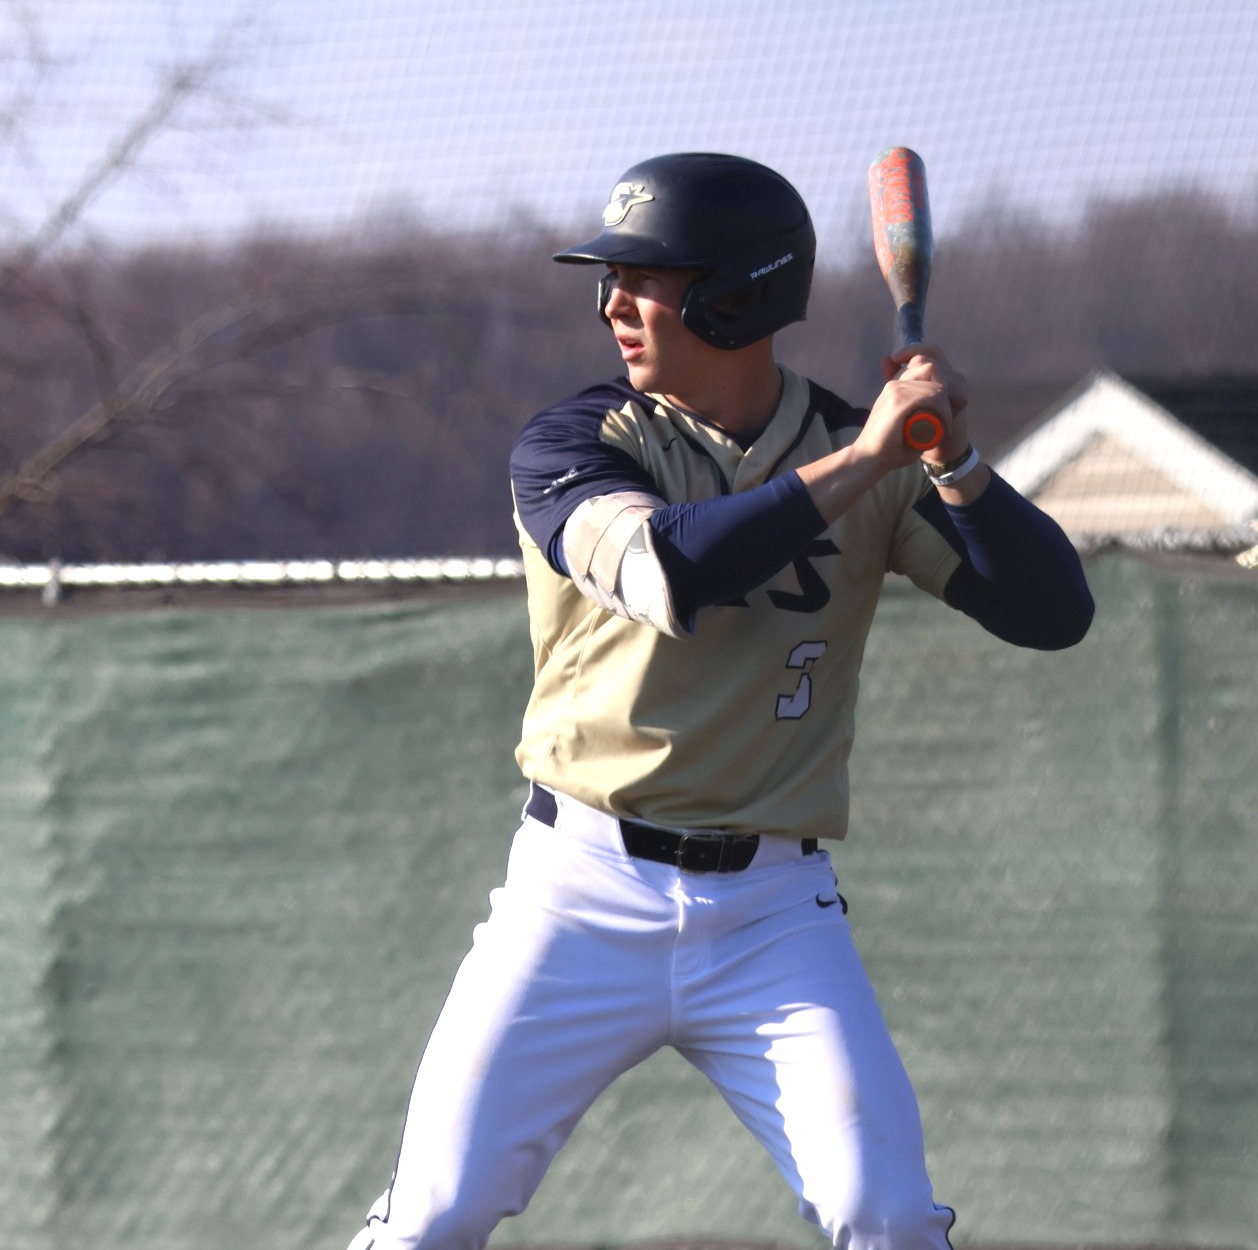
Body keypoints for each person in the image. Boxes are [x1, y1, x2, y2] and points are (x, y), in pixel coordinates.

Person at [346, 152, 1093, 1250]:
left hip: (771, 915)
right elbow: (670, 569)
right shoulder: (573, 444)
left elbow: (1049, 610)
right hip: (577, 889)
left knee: (884, 1214)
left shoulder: (868, 455)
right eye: (607, 278)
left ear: (735, 293)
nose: (612, 304)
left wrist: (956, 460)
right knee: (432, 1215)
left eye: (646, 278)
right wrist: (865, 460)